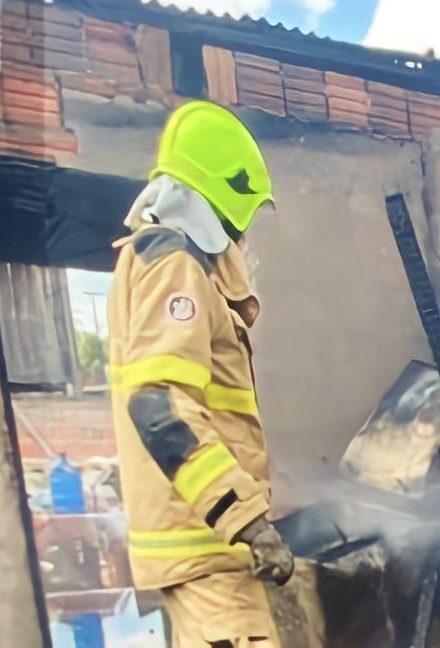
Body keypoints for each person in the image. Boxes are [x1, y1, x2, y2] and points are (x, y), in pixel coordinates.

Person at [108, 101, 293, 647]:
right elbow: (158, 406)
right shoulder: (176, 267)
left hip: (199, 543)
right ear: (219, 201)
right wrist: (248, 521)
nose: (243, 235)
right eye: (243, 218)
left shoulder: (161, 260)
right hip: (205, 545)